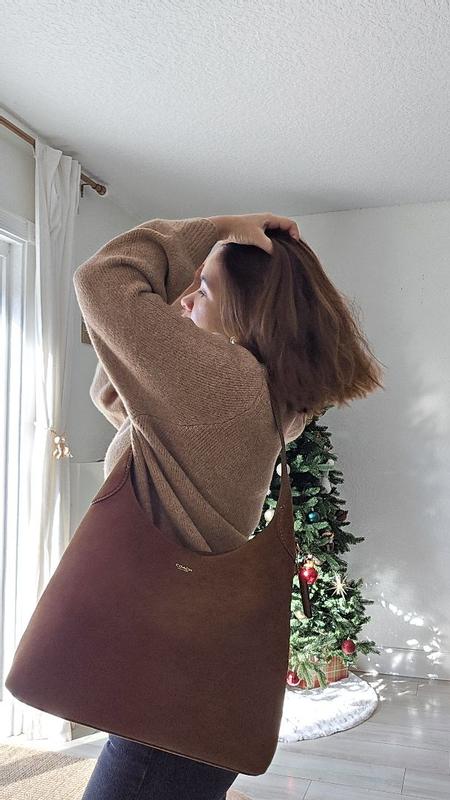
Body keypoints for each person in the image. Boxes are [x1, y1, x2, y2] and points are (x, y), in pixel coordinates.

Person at [74, 212, 384, 799]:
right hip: (185, 673)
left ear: (249, 312)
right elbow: (113, 396)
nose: (188, 295)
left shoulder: (225, 384)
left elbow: (101, 278)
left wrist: (219, 226)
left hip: (170, 691)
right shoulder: (247, 391)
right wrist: (182, 309)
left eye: (204, 287)